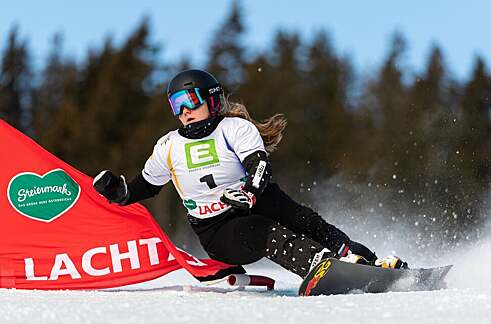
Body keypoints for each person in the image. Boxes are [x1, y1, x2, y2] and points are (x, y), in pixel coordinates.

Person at [92, 69, 407, 281]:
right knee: (262, 229)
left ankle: (368, 263)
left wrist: (249, 190)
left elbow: (258, 166)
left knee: (306, 221)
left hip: (256, 198)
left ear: (212, 100)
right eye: (176, 104)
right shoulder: (168, 146)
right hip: (218, 230)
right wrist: (116, 191)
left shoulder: (234, 128)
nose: (184, 111)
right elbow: (143, 187)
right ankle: (320, 266)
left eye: (190, 101)